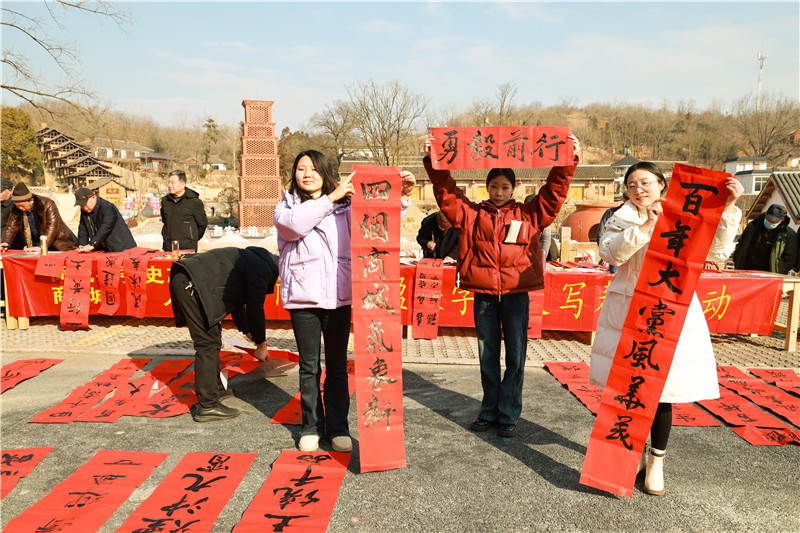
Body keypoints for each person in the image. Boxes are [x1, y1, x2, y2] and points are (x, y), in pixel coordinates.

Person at [589, 161, 743, 495]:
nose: (638, 190)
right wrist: (645, 226)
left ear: (662, 184)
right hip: (630, 309)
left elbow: (715, 252)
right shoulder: (620, 217)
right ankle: (626, 457)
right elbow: (611, 254)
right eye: (631, 185)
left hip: (671, 308)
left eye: (645, 183)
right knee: (628, 388)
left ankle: (656, 461)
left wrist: (725, 209)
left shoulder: (688, 213)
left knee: (662, 389)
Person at [423, 134, 579, 438]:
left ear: (515, 188)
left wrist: (568, 160)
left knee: (516, 357)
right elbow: (447, 194)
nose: (498, 192)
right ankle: (489, 411)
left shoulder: (529, 214)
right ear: (486, 187)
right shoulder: (472, 215)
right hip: (484, 296)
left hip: (516, 297)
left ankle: (509, 413)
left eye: (504, 187)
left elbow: (554, 193)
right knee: (487, 355)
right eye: (493, 186)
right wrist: (432, 161)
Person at [274, 149, 415, 453]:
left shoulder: (346, 208)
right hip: (303, 298)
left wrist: (401, 196)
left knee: (337, 365)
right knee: (309, 366)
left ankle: (338, 426)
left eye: (313, 169)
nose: (307, 174)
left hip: (339, 298)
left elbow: (380, 220)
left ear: (325, 172)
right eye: (301, 169)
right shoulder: (286, 207)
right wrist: (331, 198)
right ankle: (311, 426)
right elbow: (294, 227)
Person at [169, 246, 279, 422]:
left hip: (188, 281)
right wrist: (261, 344)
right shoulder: (262, 269)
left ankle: (216, 389)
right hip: (193, 286)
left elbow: (237, 303)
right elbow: (255, 308)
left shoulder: (251, 259)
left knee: (212, 339)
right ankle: (207, 406)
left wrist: (248, 332)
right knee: (207, 344)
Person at [1, 182, 77, 252]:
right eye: (18, 206)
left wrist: (42, 246)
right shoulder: (16, 208)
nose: (20, 208)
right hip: (37, 242)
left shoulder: (48, 204)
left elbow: (52, 226)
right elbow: (11, 226)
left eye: (22, 205)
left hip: (57, 242)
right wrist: (5, 242)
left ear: (31, 200)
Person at [731, 203, 797, 275]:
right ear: (765, 214)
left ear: (782, 221)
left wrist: (781, 270)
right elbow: (741, 243)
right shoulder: (753, 226)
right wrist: (736, 259)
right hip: (746, 270)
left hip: (770, 275)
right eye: (768, 219)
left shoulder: (788, 235)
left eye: (773, 222)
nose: (770, 223)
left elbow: (790, 259)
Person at [74, 187, 137, 252]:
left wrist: (92, 244)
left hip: (123, 248)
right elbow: (83, 228)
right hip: (105, 249)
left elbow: (105, 227)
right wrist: (82, 244)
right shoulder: (85, 211)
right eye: (81, 205)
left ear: (93, 197)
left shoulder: (108, 207)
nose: (84, 207)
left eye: (85, 203)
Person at [161, 170, 207, 253]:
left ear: (183, 185)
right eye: (168, 183)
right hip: (168, 248)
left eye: (173, 183)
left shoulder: (194, 202)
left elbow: (202, 225)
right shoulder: (165, 201)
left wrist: (192, 239)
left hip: (187, 249)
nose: (170, 185)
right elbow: (165, 221)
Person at [1, 179, 26, 250]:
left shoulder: (16, 206)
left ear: (10, 191)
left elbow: (13, 227)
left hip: (11, 245)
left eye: (1, 192)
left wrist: (5, 242)